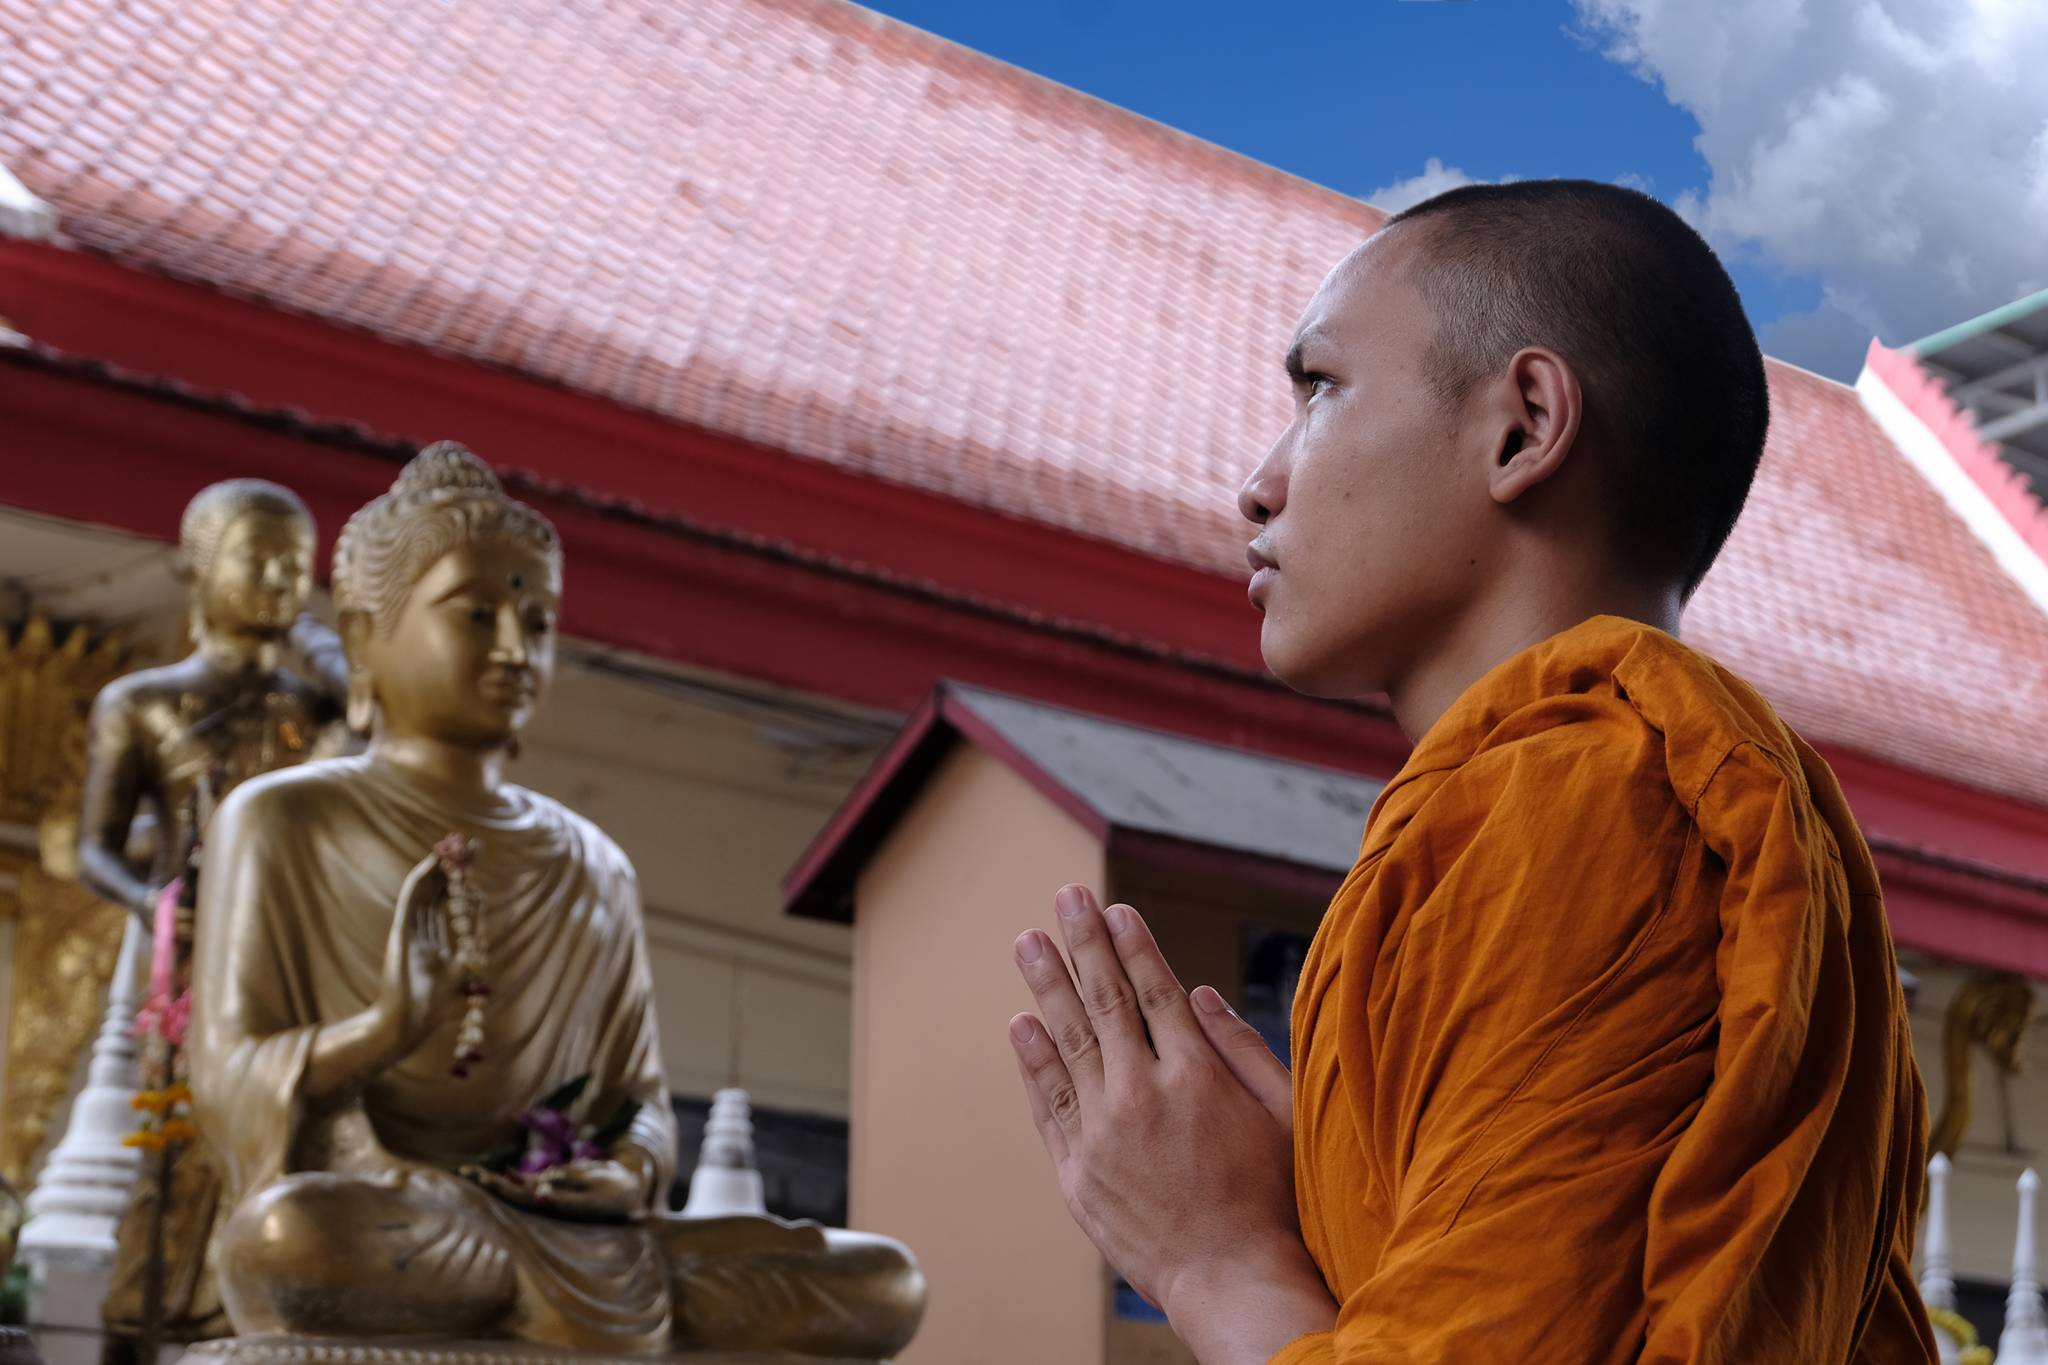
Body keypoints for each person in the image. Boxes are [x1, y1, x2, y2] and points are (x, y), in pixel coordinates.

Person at [1005, 181, 1936, 1363]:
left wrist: (1213, 1262)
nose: (1258, 483)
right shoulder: (1567, 801)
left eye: (1320, 391)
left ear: (1522, 425)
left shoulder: (1583, 804)